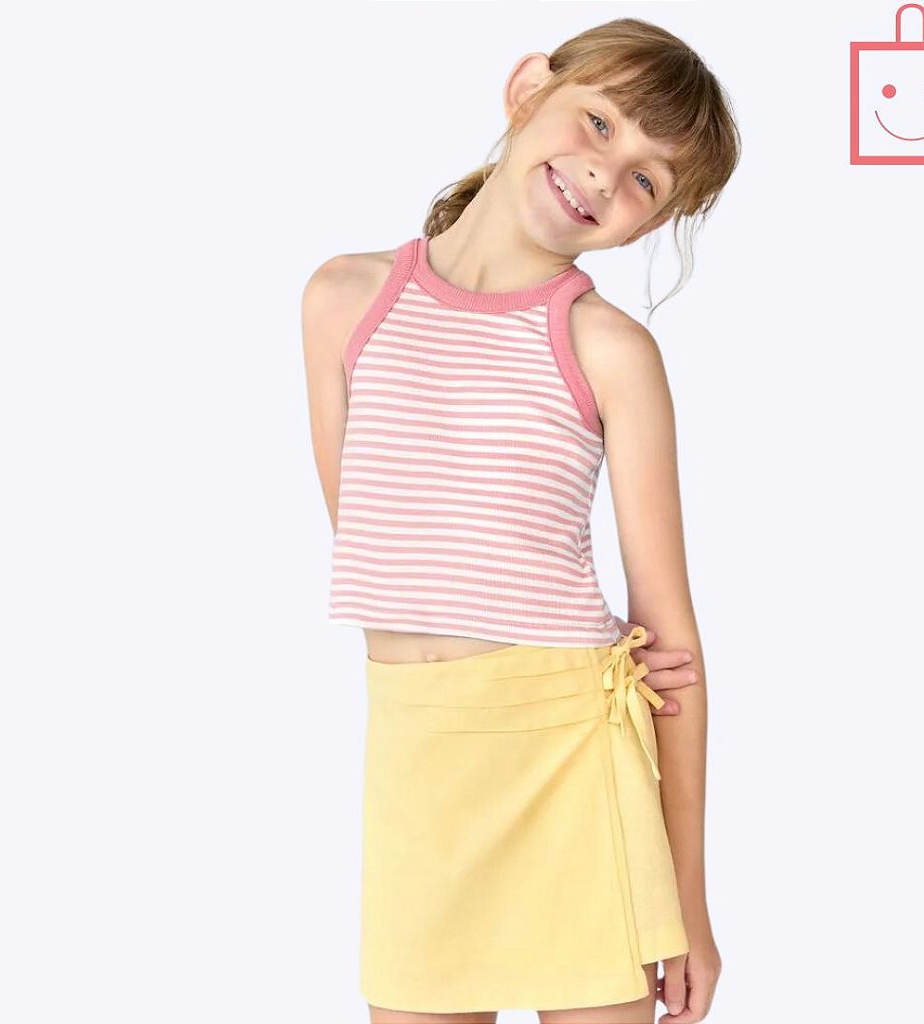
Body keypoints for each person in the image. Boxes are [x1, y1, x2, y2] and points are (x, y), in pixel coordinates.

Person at [302, 16, 740, 1024]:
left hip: (571, 766)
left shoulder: (608, 350)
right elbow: (370, 540)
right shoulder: (343, 301)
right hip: (417, 769)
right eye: (600, 123)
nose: (603, 175)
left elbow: (672, 648)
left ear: (648, 224)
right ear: (527, 88)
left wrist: (690, 902)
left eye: (645, 181)